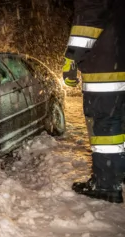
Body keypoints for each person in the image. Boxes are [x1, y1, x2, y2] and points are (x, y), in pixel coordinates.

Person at [62, 0, 125, 203]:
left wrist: (71, 57)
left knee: (106, 125)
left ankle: (106, 184)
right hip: (120, 60)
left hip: (106, 69)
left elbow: (88, 19)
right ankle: (118, 172)